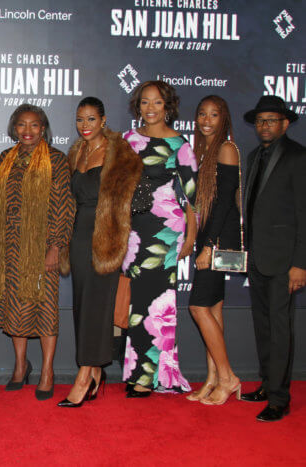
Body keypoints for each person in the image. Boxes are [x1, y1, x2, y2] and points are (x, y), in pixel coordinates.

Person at [0, 104, 73, 401]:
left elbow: (64, 206)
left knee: (46, 309)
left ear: (43, 128)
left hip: (42, 247)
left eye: (34, 125)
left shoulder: (57, 160)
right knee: (16, 307)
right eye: (22, 125)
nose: (27, 131)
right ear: (14, 128)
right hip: (10, 247)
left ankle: (47, 370)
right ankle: (20, 366)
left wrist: (56, 247)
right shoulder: (5, 159)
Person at [59, 97, 141, 408]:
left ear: (103, 120)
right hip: (78, 237)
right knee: (83, 305)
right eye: (80, 119)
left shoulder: (119, 152)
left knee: (98, 307)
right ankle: (93, 371)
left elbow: (135, 195)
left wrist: (122, 228)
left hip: (105, 239)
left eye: (91, 119)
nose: (85, 125)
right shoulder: (76, 151)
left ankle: (84, 374)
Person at [121, 80, 197, 397]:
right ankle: (139, 370)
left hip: (164, 234)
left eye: (157, 103)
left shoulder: (180, 145)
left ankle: (148, 376)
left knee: (158, 304)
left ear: (168, 106)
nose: (150, 109)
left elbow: (193, 198)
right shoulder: (127, 140)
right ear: (137, 106)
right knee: (137, 305)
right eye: (144, 102)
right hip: (132, 232)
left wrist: (191, 239)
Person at [241, 95, 305, 422]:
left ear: (285, 123)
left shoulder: (298, 157)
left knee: (280, 329)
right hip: (257, 257)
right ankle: (267, 384)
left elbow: (304, 213)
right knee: (263, 326)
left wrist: (300, 263)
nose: (264, 126)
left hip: (284, 261)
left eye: (271, 120)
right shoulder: (253, 156)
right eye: (260, 121)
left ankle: (280, 398)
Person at [186, 95, 241, 405]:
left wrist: (208, 245)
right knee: (214, 310)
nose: (207, 120)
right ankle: (212, 378)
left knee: (198, 307)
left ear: (225, 119)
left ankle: (228, 376)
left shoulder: (226, 149)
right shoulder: (203, 151)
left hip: (219, 239)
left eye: (214, 115)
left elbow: (222, 204)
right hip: (209, 236)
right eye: (202, 114)